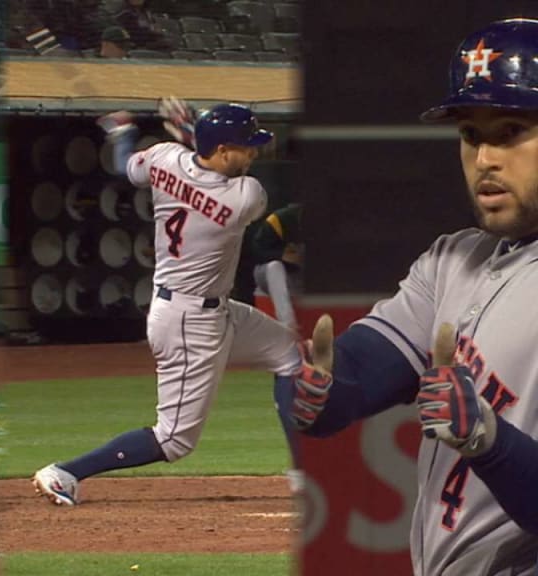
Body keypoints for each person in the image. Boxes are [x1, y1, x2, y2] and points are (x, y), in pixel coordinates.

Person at [291, 19, 538, 576]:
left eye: (510, 130)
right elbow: (359, 372)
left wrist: (489, 438)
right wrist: (317, 391)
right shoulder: (453, 260)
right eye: (472, 135)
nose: (485, 160)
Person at [32, 101, 303, 505]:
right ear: (223, 150)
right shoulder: (245, 196)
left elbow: (129, 166)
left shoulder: (164, 157)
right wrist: (192, 133)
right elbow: (220, 177)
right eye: (245, 147)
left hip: (208, 308)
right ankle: (65, 473)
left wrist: (124, 135)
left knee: (289, 355)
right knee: (174, 440)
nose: (253, 153)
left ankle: (304, 475)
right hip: (188, 321)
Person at [252, 202, 302, 332]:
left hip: (299, 279)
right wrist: (281, 255)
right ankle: (289, 325)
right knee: (275, 266)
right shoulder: (280, 219)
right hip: (270, 275)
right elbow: (255, 253)